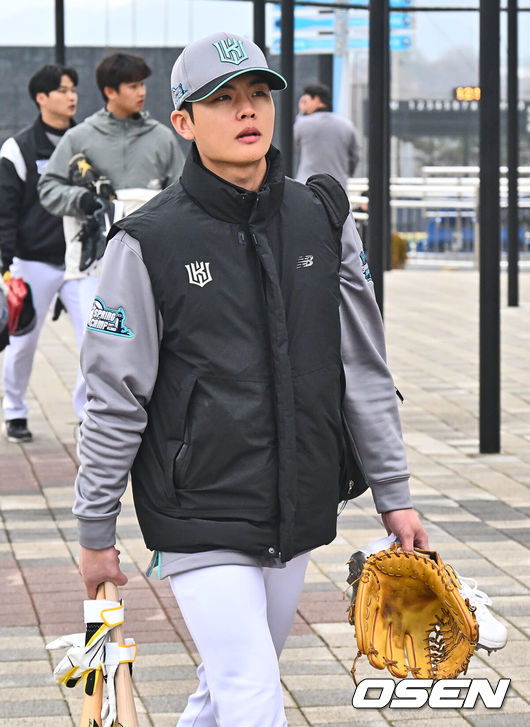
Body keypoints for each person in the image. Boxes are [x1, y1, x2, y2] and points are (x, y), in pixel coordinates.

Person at [74, 32, 428, 727]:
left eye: (258, 94)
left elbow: (363, 366)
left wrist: (395, 494)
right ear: (183, 122)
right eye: (223, 98)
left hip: (298, 501)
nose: (247, 110)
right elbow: (114, 398)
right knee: (251, 689)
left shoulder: (322, 218)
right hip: (197, 506)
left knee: (227, 687)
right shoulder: (145, 242)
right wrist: (94, 528)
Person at [38, 52, 186, 347]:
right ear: (110, 91)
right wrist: (81, 199)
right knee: (95, 351)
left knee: (150, 347)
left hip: (152, 264)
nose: (142, 92)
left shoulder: (162, 137)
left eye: (142, 84)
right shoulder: (78, 137)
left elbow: (183, 194)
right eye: (133, 86)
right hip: (94, 267)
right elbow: (48, 188)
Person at [0, 63, 85, 443]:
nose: (72, 96)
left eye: (73, 89)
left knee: (97, 341)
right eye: (63, 90)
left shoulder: (85, 141)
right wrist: (5, 264)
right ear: (41, 98)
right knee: (22, 345)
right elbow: (5, 210)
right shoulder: (17, 148)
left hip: (81, 262)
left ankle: (87, 416)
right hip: (31, 262)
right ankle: (15, 411)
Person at [294, 82, 360, 192]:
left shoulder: (303, 124)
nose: (303, 104)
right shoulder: (347, 125)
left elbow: (295, 140)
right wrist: (344, 173)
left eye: (306, 101)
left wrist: (301, 112)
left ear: (317, 100)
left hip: (307, 186)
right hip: (338, 187)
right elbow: (354, 157)